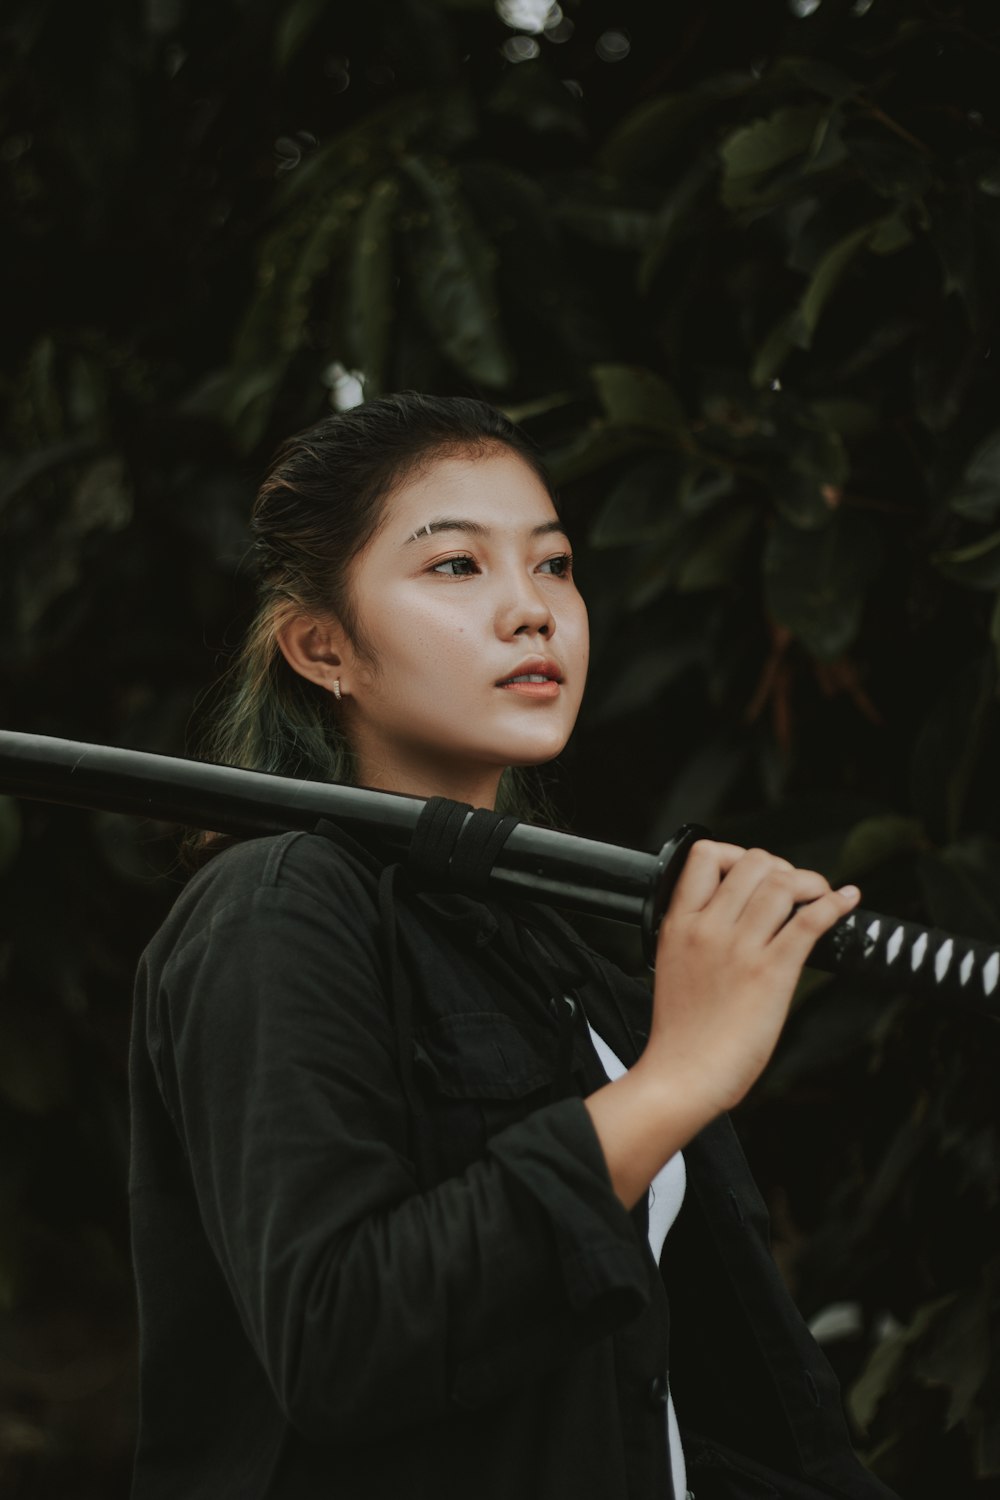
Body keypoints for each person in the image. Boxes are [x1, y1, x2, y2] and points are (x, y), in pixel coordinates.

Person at [128, 393, 898, 1500]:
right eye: (455, 567)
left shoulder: (555, 941)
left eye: (553, 566)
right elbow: (342, 1339)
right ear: (321, 646)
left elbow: (687, 1413)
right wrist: (677, 1078)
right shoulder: (275, 907)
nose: (531, 611)